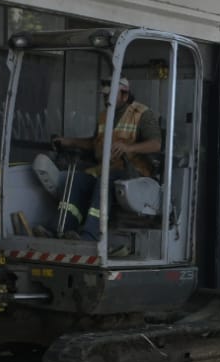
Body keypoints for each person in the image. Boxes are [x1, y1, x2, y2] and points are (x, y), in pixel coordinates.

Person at [43, 77, 162, 241]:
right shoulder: (105, 116)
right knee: (76, 180)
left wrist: (129, 148)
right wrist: (69, 141)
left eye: (110, 96)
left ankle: (90, 235)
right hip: (106, 171)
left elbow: (156, 144)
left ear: (125, 95)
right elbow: (95, 143)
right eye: (105, 96)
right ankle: (59, 229)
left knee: (104, 182)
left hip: (134, 175)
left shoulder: (142, 114)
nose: (106, 100)